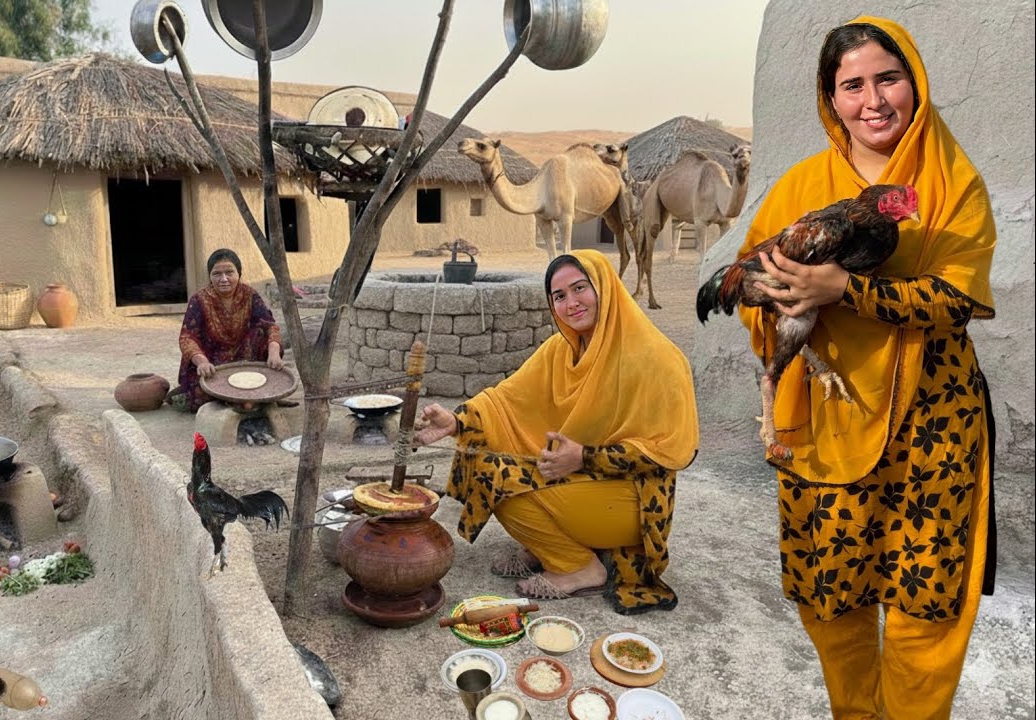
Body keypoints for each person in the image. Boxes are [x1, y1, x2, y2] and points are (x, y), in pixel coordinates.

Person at [737, 17, 996, 719]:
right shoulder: (800, 187)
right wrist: (776, 298)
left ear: (914, 81)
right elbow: (752, 287)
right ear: (830, 98)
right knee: (834, 591)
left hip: (933, 425)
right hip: (829, 416)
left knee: (927, 602)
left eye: (888, 78)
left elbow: (958, 297)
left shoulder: (953, 181)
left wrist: (846, 291)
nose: (872, 100)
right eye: (852, 85)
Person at [414, 250, 699, 609]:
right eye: (559, 296)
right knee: (489, 458)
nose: (571, 303)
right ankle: (548, 545)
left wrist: (583, 457)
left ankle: (578, 567)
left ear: (605, 288)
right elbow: (507, 400)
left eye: (580, 288)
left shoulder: (657, 358)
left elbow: (671, 452)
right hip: (583, 484)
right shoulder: (561, 350)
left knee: (498, 479)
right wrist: (455, 422)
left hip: (634, 499)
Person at [170, 248, 285, 412]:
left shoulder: (250, 294)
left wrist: (274, 353)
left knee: (261, 333)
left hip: (246, 357)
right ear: (209, 276)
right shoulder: (199, 299)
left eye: (229, 272)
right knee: (200, 395)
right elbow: (187, 338)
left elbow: (269, 325)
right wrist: (201, 362)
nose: (224, 279)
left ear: (239, 273)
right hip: (212, 361)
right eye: (216, 274)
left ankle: (247, 397)